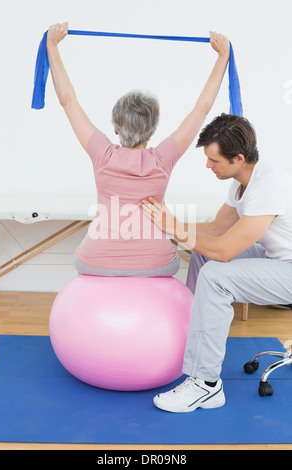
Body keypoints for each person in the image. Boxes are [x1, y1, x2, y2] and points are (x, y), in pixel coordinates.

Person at [46, 22, 230, 277]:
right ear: (153, 129)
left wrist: (52, 46)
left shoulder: (102, 153)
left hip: (96, 260)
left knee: (81, 256)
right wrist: (223, 56)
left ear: (115, 129)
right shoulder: (163, 157)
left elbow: (68, 101)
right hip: (156, 262)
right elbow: (202, 108)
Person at [142, 113, 292, 413]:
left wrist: (174, 228)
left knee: (215, 274)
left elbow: (224, 251)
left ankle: (205, 384)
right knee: (202, 253)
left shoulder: (267, 185)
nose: (207, 165)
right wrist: (170, 224)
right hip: (279, 260)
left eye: (214, 160)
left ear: (238, 157)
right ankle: (191, 340)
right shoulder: (241, 182)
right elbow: (214, 230)